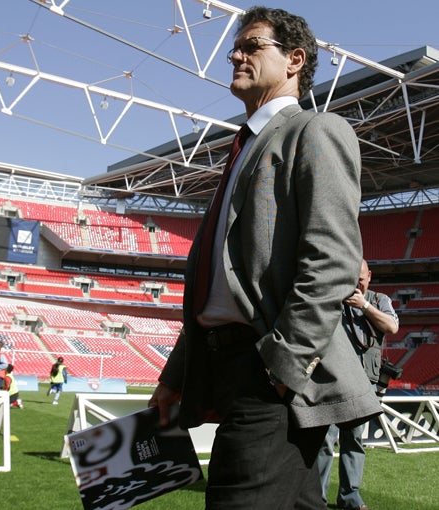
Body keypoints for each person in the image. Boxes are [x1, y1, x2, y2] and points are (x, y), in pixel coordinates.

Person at [148, 6, 382, 508]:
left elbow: (333, 260)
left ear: (295, 60)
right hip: (225, 364)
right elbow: (221, 285)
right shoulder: (242, 148)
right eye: (239, 46)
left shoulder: (314, 131)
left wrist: (281, 367)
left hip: (267, 370)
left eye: (252, 45)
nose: (236, 54)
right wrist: (174, 377)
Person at [317, 259, 399, 510]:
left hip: (363, 384)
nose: (357, 282)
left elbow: (392, 327)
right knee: (325, 441)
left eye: (361, 277)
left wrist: (364, 306)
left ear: (370, 276)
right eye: (353, 277)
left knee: (354, 440)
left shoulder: (379, 300)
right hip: (331, 381)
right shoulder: (335, 298)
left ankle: (350, 496)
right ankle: (316, 498)